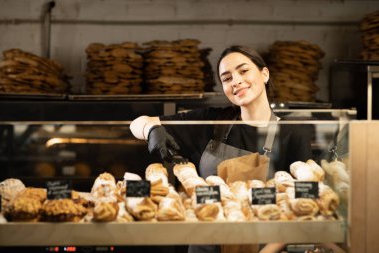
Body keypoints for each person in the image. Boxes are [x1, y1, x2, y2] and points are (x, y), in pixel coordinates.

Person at [130, 45, 313, 253]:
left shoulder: (292, 134)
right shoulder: (213, 121)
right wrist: (150, 129)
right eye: (227, 78)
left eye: (243, 71)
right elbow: (137, 123)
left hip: (261, 248)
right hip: (203, 246)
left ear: (264, 74)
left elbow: (305, 206)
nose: (236, 81)